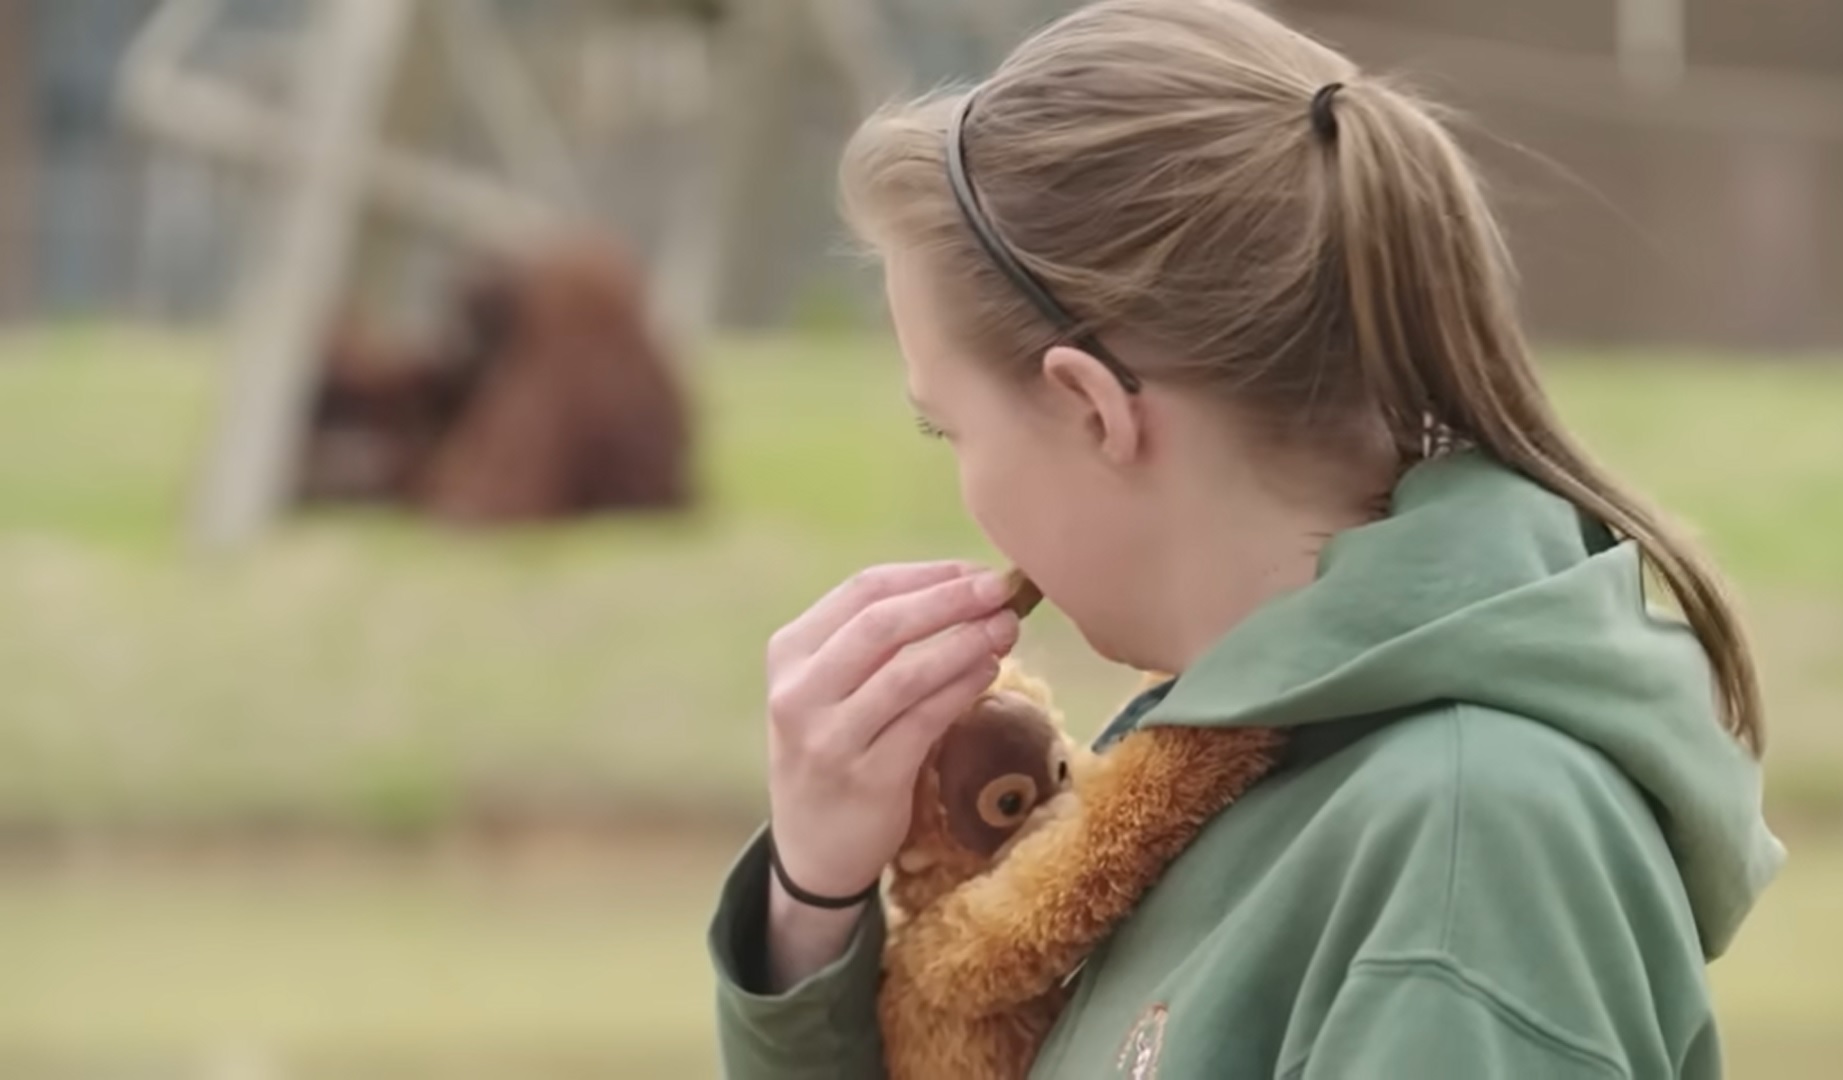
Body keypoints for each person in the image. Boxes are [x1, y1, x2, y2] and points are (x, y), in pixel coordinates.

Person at [704, 0, 1785, 1075]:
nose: (965, 485)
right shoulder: (1216, 788)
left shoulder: (1471, 846)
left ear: (1093, 409)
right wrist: (813, 909)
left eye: (949, 426)